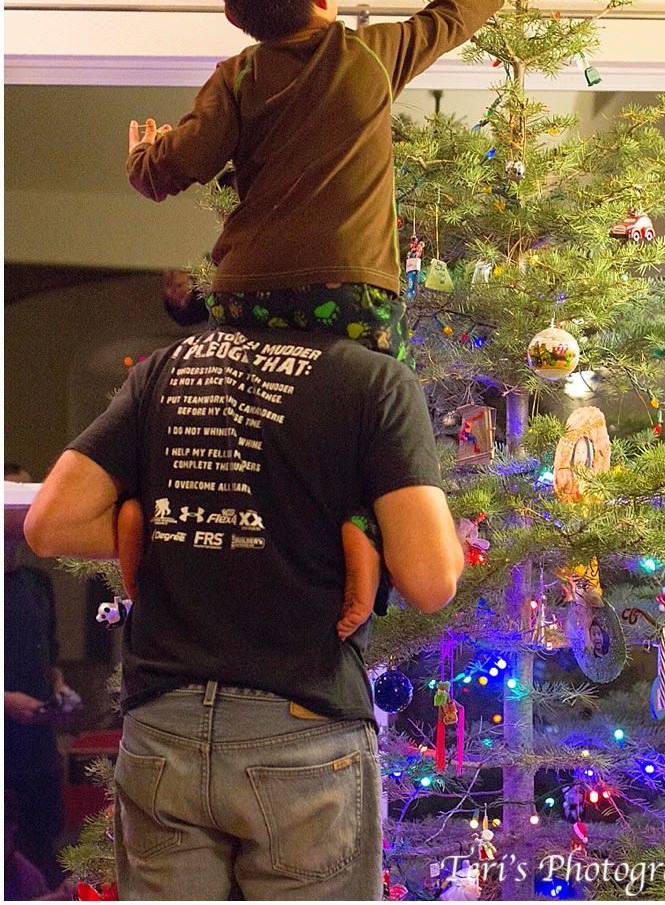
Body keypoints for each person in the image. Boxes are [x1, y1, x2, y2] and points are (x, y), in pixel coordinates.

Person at [24, 324, 465, 901]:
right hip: (300, 718)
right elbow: (432, 582)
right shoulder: (370, 377)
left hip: (164, 722)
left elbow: (50, 524)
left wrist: (157, 524)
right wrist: (364, 528)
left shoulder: (167, 368)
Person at [126, 0, 507, 364]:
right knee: (375, 394)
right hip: (349, 288)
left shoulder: (235, 78)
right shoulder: (371, 54)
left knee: (264, 397)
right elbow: (450, 18)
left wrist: (143, 155)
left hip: (248, 291)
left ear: (233, 17)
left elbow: (167, 170)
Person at [4, 466, 68, 890]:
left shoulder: (35, 581)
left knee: (45, 839)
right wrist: (6, 701)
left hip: (39, 743)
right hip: (5, 743)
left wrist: (58, 685)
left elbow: (51, 650)